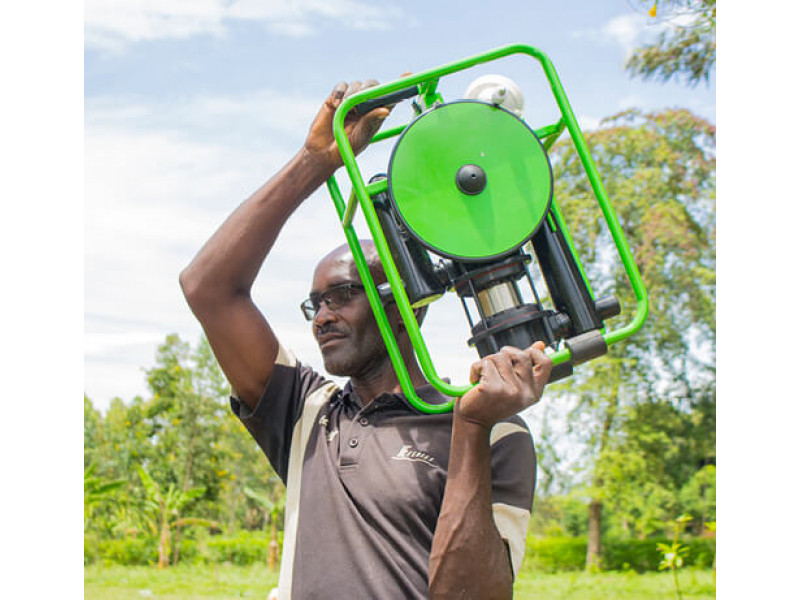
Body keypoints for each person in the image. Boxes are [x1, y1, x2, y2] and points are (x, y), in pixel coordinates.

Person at [180, 80, 553, 600]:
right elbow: (207, 287)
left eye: (341, 296)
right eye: (314, 304)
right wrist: (316, 161)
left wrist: (471, 426)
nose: (321, 318)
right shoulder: (307, 411)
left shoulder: (495, 432)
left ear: (405, 306)